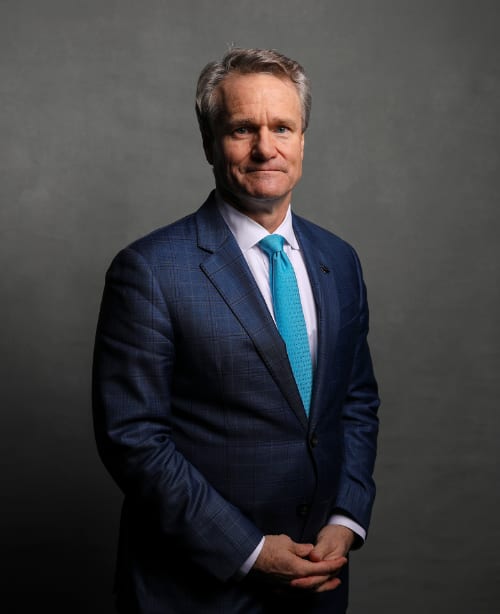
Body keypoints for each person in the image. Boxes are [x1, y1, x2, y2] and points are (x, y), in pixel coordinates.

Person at [92, 47, 380, 614]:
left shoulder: (339, 260)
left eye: (282, 127)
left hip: (317, 582)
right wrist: (248, 550)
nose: (265, 147)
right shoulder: (150, 270)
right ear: (208, 143)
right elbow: (133, 438)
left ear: (303, 140)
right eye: (242, 129)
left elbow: (355, 402)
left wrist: (346, 519)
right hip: (195, 589)